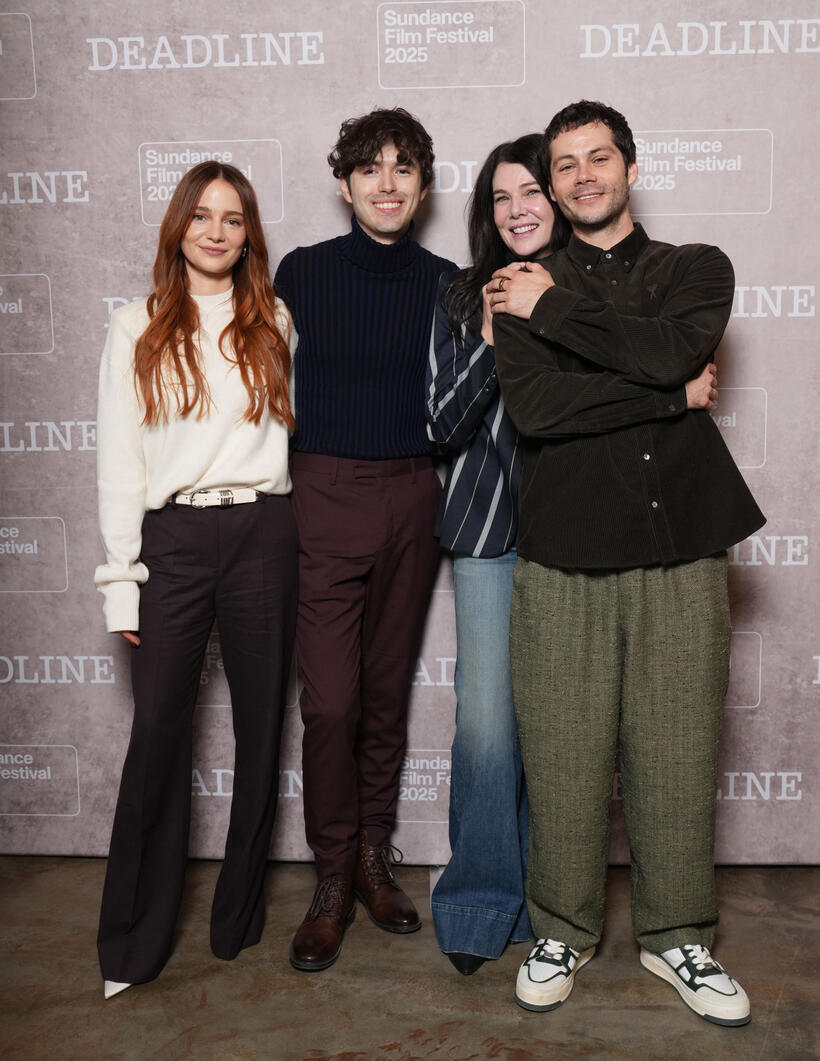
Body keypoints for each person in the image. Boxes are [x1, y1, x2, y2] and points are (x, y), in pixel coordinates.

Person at [490, 101, 764, 1026]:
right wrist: (667, 396)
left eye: (596, 157)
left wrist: (565, 317)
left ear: (630, 167)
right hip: (564, 550)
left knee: (677, 747)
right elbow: (538, 410)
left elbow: (674, 346)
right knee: (563, 752)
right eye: (562, 165)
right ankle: (561, 929)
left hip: (681, 548)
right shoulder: (519, 279)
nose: (579, 176)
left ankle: (677, 934)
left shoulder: (696, 269)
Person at [426, 134, 721, 978]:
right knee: (492, 724)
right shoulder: (465, 297)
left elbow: (648, 357)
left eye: (534, 190)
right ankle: (487, 903)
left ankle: (565, 916)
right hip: (494, 532)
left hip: (597, 527)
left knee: (576, 736)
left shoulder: (580, 287)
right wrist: (494, 335)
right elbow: (461, 422)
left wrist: (651, 371)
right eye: (500, 197)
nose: (519, 208)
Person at [94, 161, 297, 999]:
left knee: (260, 733)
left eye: (234, 217)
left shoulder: (275, 319)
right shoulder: (133, 324)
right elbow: (118, 460)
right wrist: (121, 580)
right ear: (178, 226)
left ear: (249, 233)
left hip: (263, 532)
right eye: (202, 215)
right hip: (170, 539)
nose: (217, 230)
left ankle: (237, 918)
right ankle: (133, 943)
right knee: (158, 739)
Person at [274, 107, 455, 972]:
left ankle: (372, 858)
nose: (388, 183)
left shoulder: (447, 280)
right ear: (343, 181)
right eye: (371, 168)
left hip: (414, 492)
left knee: (384, 695)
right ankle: (330, 874)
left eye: (404, 168)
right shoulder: (301, 274)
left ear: (423, 186)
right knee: (333, 702)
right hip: (322, 489)